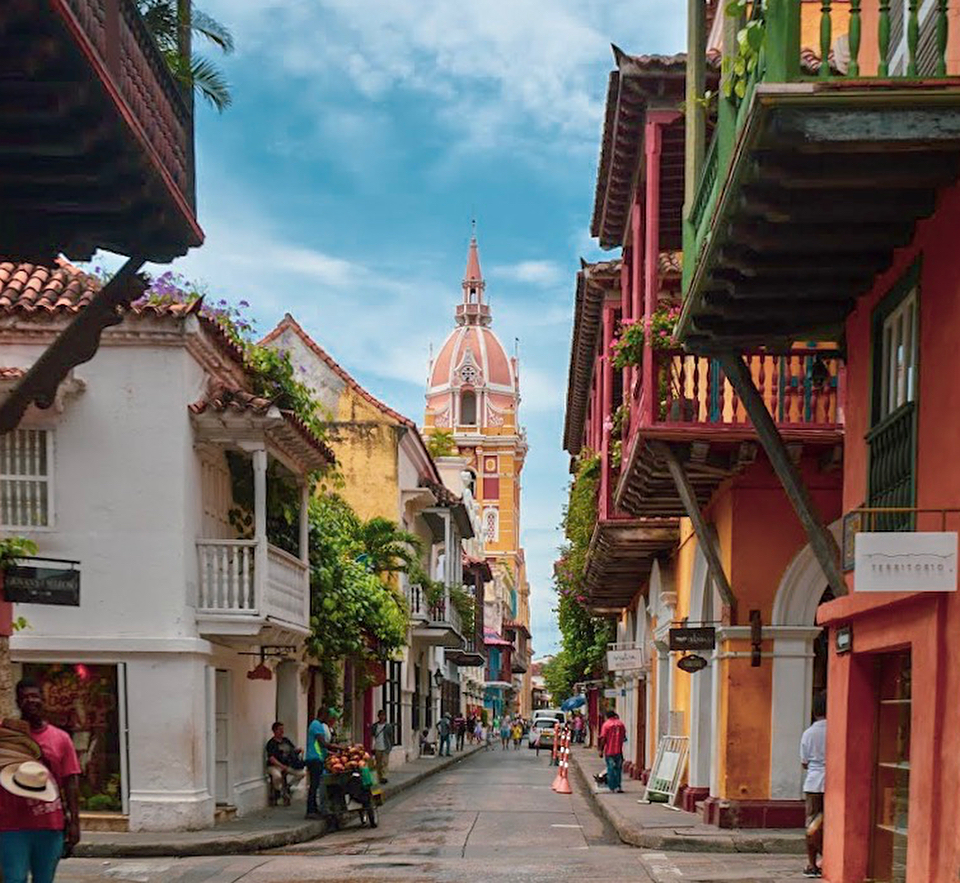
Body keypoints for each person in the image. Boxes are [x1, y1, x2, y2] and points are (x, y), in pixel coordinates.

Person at [0, 678, 82, 883]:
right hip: (11, 825)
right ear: (18, 702)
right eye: (25, 697)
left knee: (44, 879)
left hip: (50, 823)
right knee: (14, 879)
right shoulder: (5, 737)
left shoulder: (60, 738)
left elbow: (70, 781)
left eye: (35, 696)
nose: (31, 701)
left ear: (43, 700)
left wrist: (74, 823)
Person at [800, 691, 827, 878]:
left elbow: (804, 762)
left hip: (814, 783)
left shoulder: (809, 733)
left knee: (812, 824)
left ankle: (812, 864)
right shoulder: (838, 729)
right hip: (834, 783)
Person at [305, 708, 336, 822]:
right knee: (314, 785)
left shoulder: (316, 724)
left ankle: (314, 808)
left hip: (318, 758)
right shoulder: (316, 725)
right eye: (328, 717)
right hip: (314, 758)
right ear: (323, 715)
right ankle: (310, 810)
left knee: (316, 784)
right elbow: (322, 743)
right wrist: (337, 748)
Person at [265, 721, 306, 805]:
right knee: (277, 776)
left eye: (282, 729)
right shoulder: (271, 743)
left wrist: (298, 750)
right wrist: (281, 766)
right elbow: (271, 758)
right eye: (280, 730)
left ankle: (288, 787)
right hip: (274, 766)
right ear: (274, 731)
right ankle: (278, 791)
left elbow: (292, 750)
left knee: (302, 773)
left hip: (287, 764)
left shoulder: (286, 740)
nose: (282, 732)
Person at [598, 709, 627, 793]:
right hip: (618, 751)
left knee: (610, 769)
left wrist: (601, 750)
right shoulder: (621, 724)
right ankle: (618, 786)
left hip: (609, 751)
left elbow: (603, 738)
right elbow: (624, 737)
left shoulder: (606, 725)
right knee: (618, 769)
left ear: (607, 716)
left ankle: (612, 787)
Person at [371, 710, 394, 784]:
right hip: (378, 746)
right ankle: (379, 777)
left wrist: (390, 746)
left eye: (383, 715)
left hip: (385, 746)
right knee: (378, 763)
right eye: (380, 715)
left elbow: (391, 736)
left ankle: (384, 777)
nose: (382, 717)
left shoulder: (388, 726)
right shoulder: (375, 726)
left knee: (384, 762)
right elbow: (372, 735)